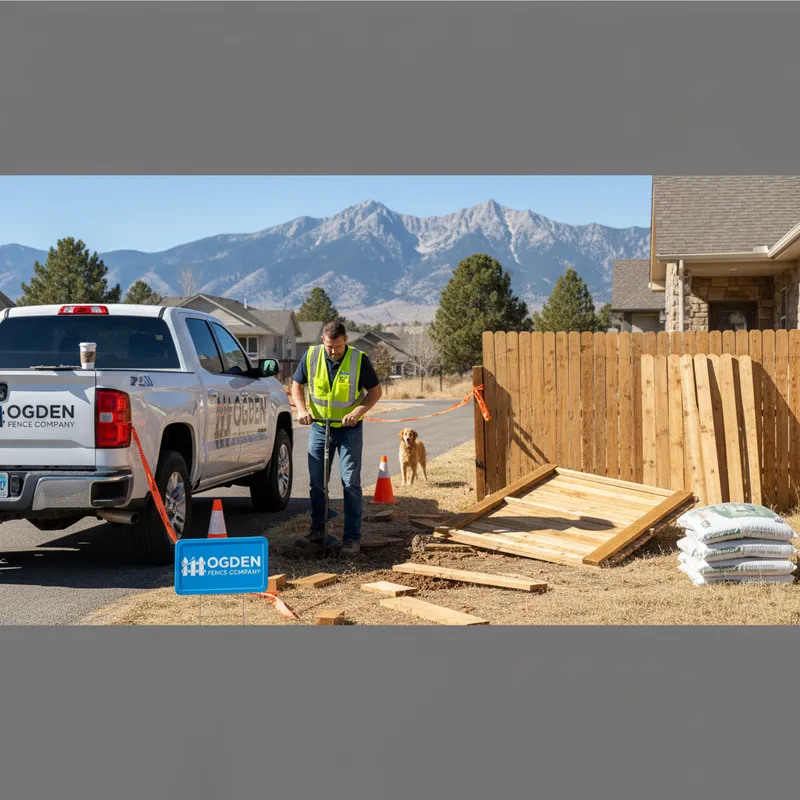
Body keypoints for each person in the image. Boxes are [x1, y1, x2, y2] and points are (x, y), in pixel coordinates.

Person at [291, 320, 383, 557]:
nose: (333, 352)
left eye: (338, 347)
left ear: (346, 340)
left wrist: (357, 412)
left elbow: (375, 392)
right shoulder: (311, 356)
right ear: (323, 340)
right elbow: (295, 385)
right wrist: (301, 410)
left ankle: (352, 539)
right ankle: (318, 532)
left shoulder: (358, 359)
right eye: (330, 347)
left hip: (348, 431)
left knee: (350, 483)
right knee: (317, 482)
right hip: (320, 429)